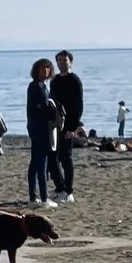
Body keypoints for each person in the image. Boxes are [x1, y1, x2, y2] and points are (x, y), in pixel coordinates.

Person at [25, 58, 61, 208]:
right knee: (41, 162)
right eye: (42, 68)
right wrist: (52, 111)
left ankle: (34, 196)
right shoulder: (36, 87)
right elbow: (42, 108)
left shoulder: (41, 86)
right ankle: (43, 198)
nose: (45, 71)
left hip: (37, 127)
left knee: (35, 162)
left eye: (48, 68)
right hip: (39, 128)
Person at [49, 51, 84, 203]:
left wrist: (73, 127)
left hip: (68, 125)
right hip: (54, 123)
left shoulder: (74, 80)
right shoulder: (54, 80)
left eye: (65, 60)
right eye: (59, 60)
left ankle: (68, 191)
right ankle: (60, 187)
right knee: (52, 157)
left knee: (66, 157)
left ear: (71, 62)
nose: (62, 63)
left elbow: (78, 105)